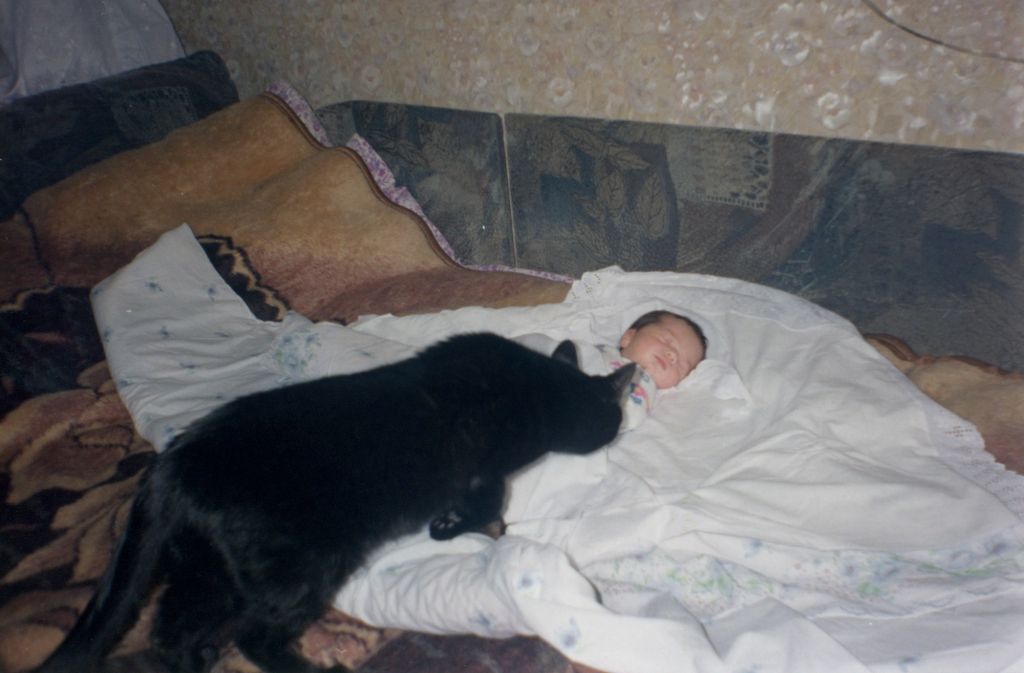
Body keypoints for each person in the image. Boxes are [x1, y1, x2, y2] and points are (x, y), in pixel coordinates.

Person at [617, 310, 708, 389]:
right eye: (666, 341)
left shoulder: (664, 403)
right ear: (628, 338)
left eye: (681, 366)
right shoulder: (604, 357)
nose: (673, 355)